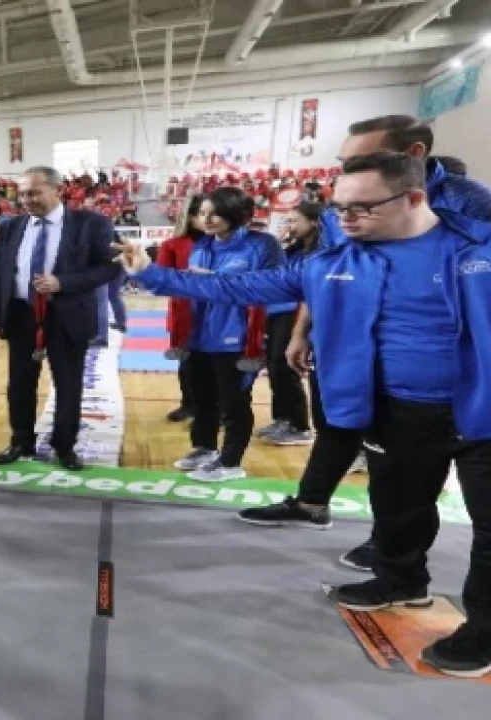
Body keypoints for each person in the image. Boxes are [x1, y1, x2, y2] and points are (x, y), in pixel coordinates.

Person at [116, 151, 491, 679]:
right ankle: (401, 581)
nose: (345, 219)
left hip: (482, 411)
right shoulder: (334, 261)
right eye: (339, 208)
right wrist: (153, 274)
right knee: (398, 507)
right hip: (394, 410)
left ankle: (485, 630)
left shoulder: (477, 247)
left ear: (413, 198)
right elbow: (240, 287)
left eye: (362, 208)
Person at [244, 115, 491, 572]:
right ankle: (316, 504)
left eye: (358, 158)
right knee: (338, 424)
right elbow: (329, 268)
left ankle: (389, 549)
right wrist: (303, 330)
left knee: (405, 466)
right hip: (351, 338)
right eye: (344, 161)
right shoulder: (349, 202)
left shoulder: (469, 204)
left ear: (412, 155)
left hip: (434, 370)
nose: (346, 168)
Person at [0, 165, 120, 471]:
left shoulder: (92, 224)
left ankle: (65, 447)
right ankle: (21, 442)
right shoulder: (9, 226)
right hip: (21, 314)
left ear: (58, 190)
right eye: (22, 194)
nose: (26, 200)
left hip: (67, 315)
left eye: (34, 193)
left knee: (68, 384)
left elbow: (111, 268)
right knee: (19, 384)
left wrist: (63, 283)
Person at [165, 187, 281, 482]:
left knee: (234, 402)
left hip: (237, 338)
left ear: (235, 214)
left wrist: (216, 279)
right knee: (202, 398)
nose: (206, 219)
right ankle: (204, 448)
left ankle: (230, 462)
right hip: (197, 335)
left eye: (214, 213)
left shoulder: (261, 245)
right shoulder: (202, 246)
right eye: (202, 213)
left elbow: (272, 283)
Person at [256, 202, 319, 447]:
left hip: (294, 312)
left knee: (284, 366)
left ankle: (300, 426)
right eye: (287, 221)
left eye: (294, 220)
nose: (289, 225)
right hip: (275, 310)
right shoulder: (293, 250)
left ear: (313, 222)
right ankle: (283, 419)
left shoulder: (319, 253)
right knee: (274, 367)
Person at [158, 195, 203, 422]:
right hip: (185, 312)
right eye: (201, 214)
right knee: (187, 361)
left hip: (222, 313)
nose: (208, 219)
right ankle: (189, 404)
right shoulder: (173, 245)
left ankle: (218, 408)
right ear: (190, 216)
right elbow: (161, 279)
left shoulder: (225, 245)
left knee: (220, 363)